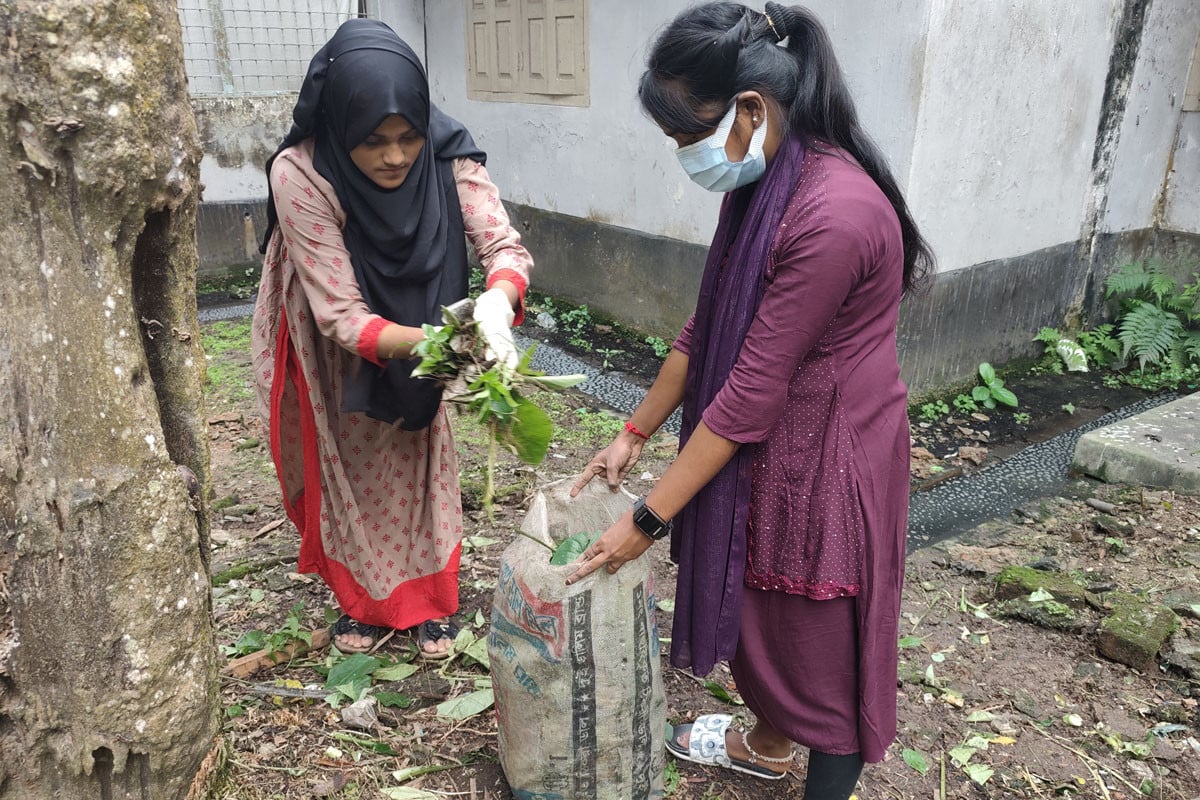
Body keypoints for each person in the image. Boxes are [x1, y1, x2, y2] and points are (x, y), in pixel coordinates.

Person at [567, 3, 932, 797]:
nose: (683, 157)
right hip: (778, 439)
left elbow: (748, 394)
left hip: (830, 457)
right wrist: (634, 433)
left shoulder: (832, 214)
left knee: (821, 657)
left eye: (683, 137)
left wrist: (644, 520)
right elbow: (707, 328)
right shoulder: (768, 176)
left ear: (752, 109)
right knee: (764, 614)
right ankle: (766, 744)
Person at [251, 19, 530, 658]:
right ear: (341, 128)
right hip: (335, 331)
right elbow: (342, 316)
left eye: (408, 137)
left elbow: (500, 241)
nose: (397, 156)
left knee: (421, 444)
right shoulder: (302, 173)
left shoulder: (445, 148)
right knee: (355, 454)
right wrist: (442, 343)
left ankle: (430, 599)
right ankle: (364, 603)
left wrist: (495, 300)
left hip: (423, 303)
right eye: (374, 142)